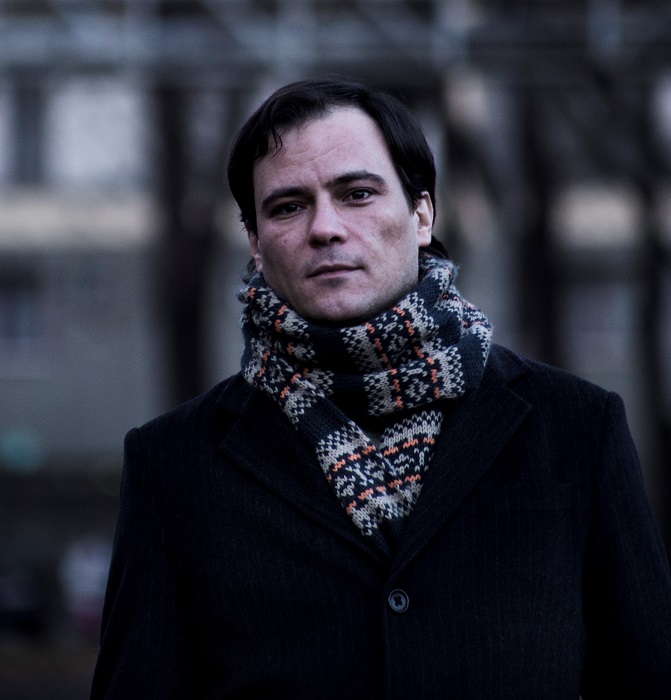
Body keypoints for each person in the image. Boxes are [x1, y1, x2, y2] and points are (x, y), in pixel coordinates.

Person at [91, 78, 671, 699]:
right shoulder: (173, 463)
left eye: (358, 194)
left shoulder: (576, 426)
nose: (325, 228)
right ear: (255, 243)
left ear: (422, 214)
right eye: (287, 207)